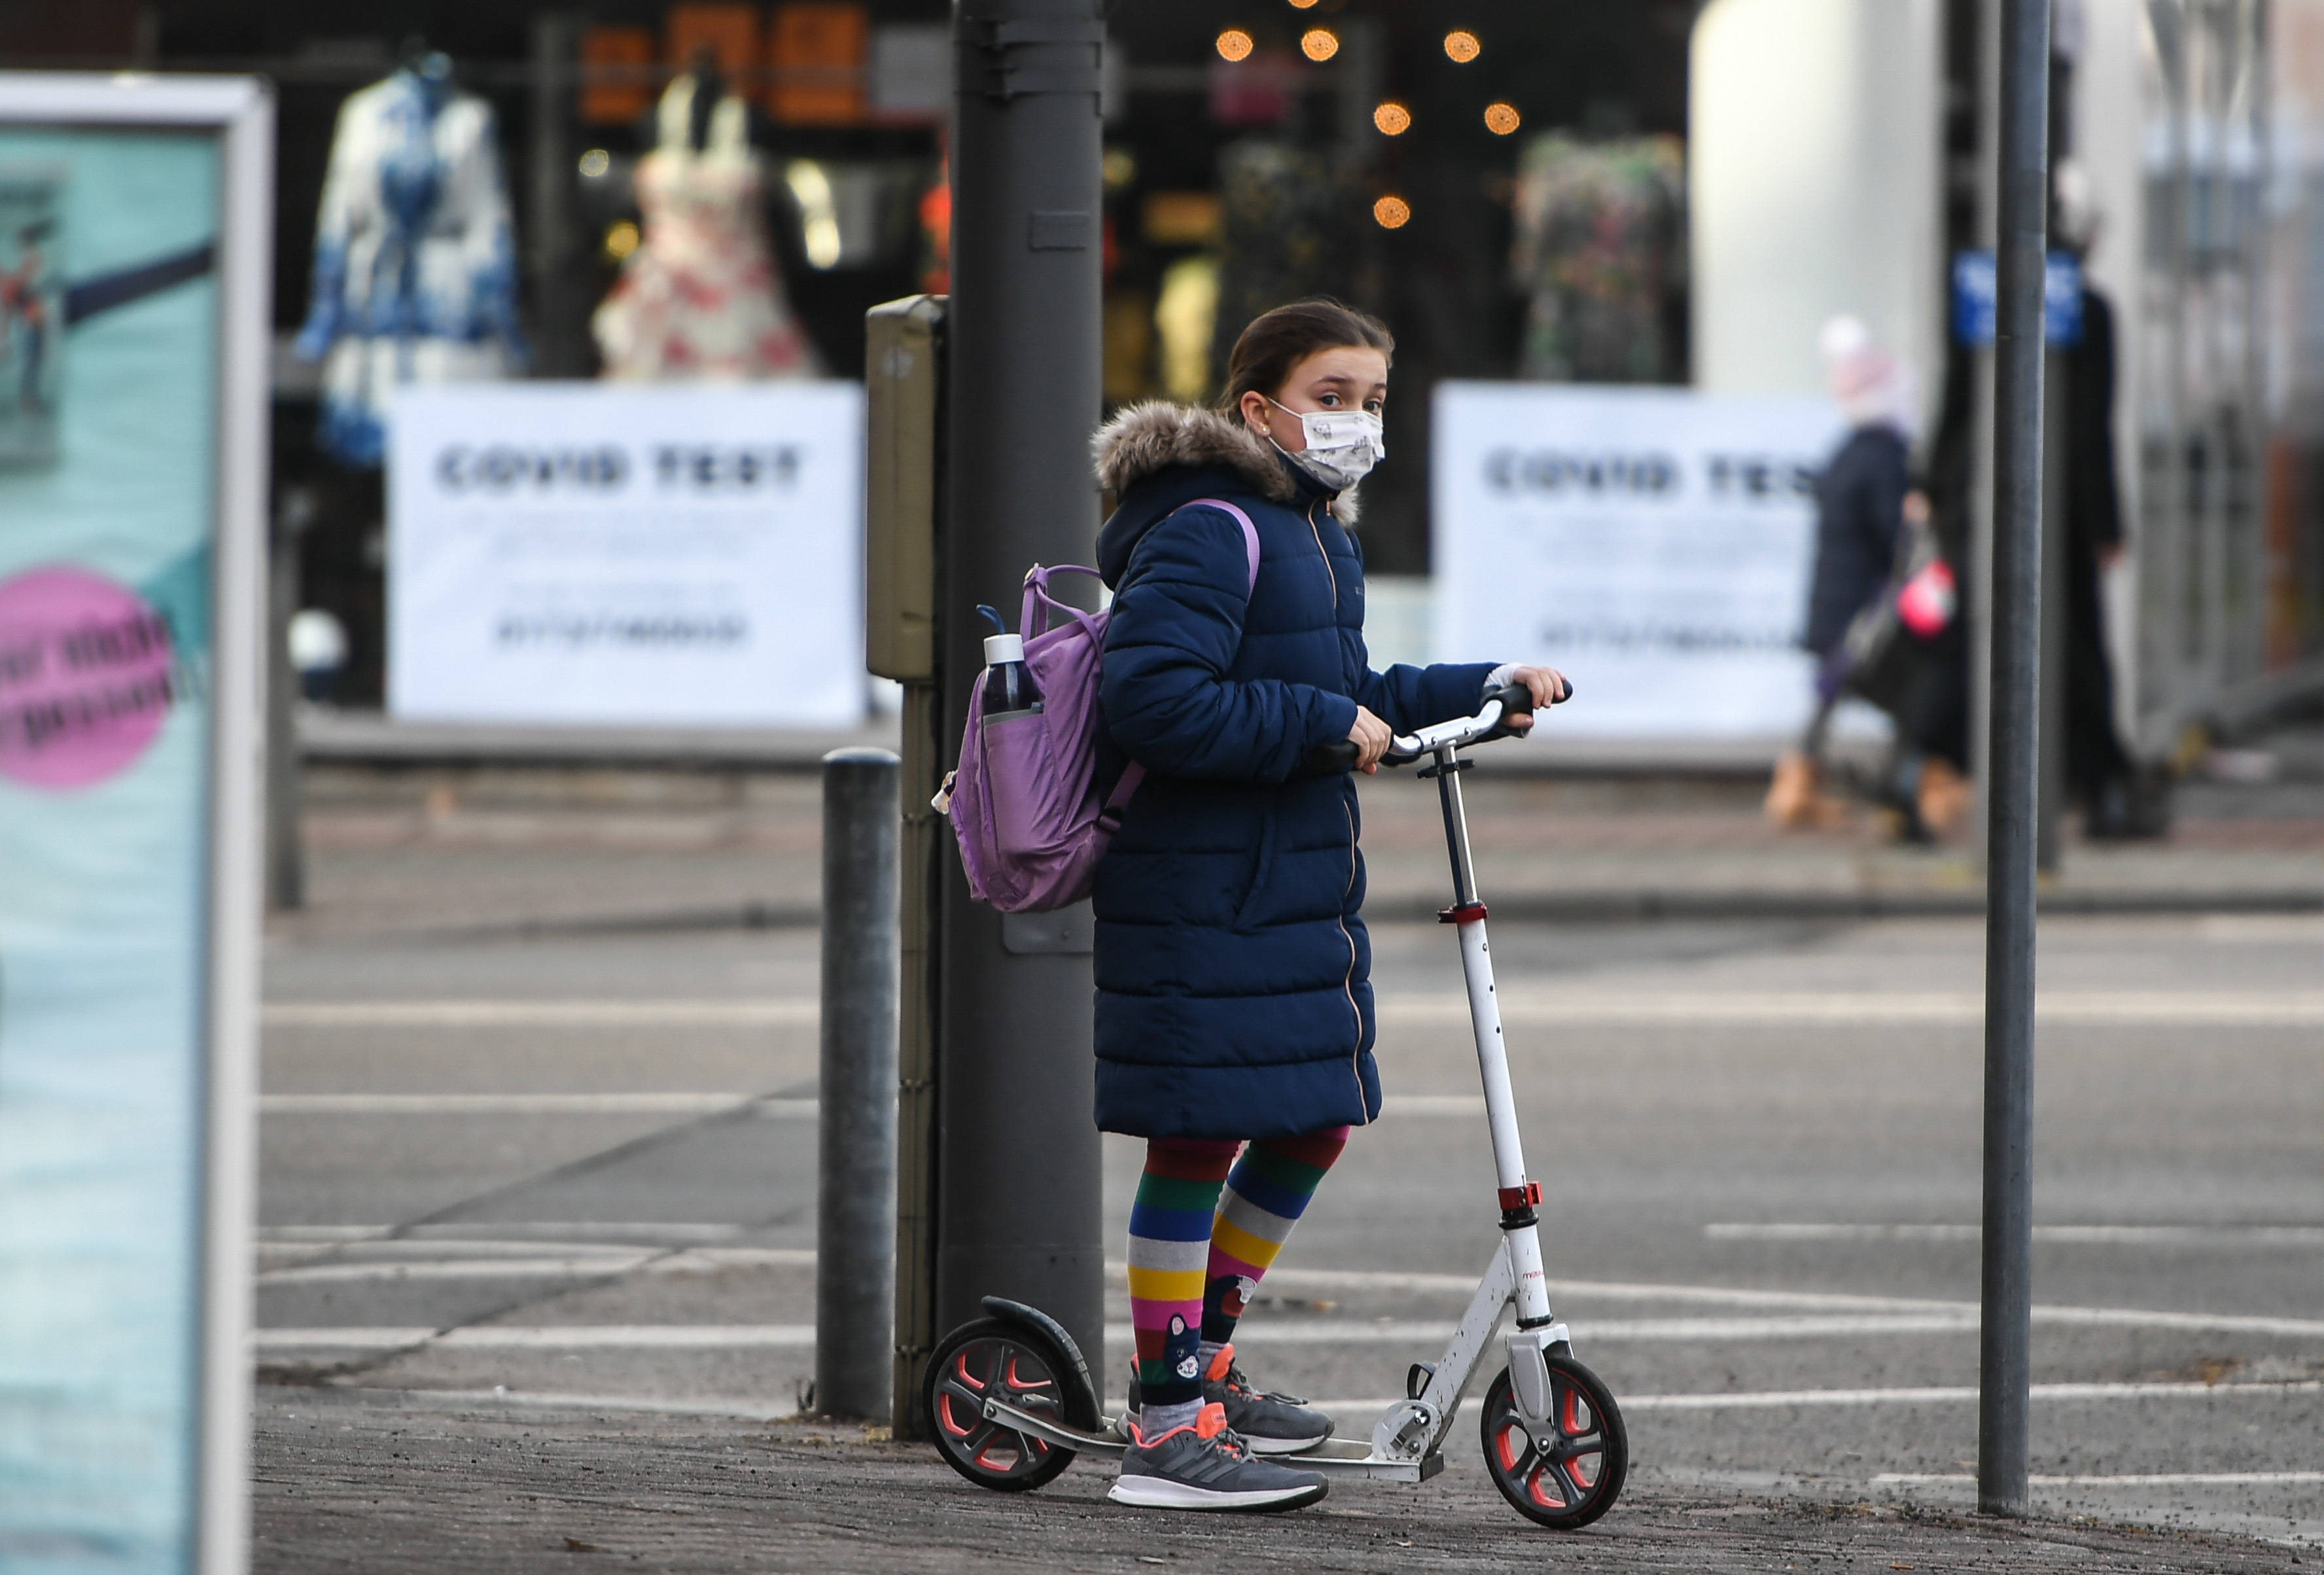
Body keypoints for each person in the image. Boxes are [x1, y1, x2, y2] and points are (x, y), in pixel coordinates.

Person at [1087, 298, 1566, 1512]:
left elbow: (1352, 689)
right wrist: (1313, 723)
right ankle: (1163, 1422)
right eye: (1334, 396)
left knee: (1313, 1116)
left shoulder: (1314, 533)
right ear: (1261, 409)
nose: (1357, 422)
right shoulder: (1209, 528)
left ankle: (1210, 1356)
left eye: (1373, 399)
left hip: (1291, 882)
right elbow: (1152, 705)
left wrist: (1483, 683)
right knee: (1197, 1137)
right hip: (1202, 884)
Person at [1767, 317, 1969, 840]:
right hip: (1867, 609)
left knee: (1832, 695)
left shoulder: (1847, 453)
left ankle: (1797, 784)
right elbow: (1896, 538)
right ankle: (1909, 781)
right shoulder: (1885, 459)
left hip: (1835, 606)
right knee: (1916, 692)